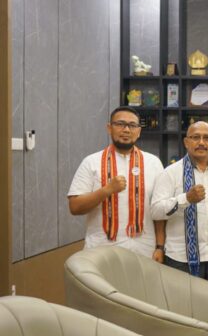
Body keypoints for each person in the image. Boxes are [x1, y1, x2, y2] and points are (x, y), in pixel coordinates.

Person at [68, 107, 164, 257]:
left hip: (144, 249)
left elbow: (159, 209)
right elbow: (75, 207)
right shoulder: (91, 162)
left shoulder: (153, 163)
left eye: (132, 125)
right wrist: (106, 190)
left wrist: (160, 246)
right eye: (120, 124)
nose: (126, 130)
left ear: (139, 131)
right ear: (109, 128)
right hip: (101, 249)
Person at [150, 122, 208, 285]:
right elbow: (155, 211)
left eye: (206, 138)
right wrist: (185, 199)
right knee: (182, 302)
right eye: (196, 137)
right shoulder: (170, 173)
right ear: (186, 142)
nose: (201, 142)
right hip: (181, 258)